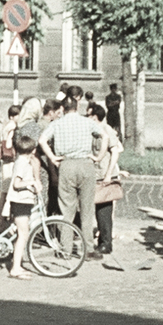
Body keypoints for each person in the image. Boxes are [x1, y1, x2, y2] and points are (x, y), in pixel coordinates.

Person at [37, 96, 104, 235]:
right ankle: (88, 247)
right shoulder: (87, 122)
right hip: (85, 164)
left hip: (66, 165)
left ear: (62, 108)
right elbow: (106, 136)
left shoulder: (56, 124)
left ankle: (66, 248)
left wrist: (53, 158)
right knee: (87, 209)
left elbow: (42, 140)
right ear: (77, 107)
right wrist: (98, 157)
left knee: (67, 209)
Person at [5, 135, 42, 280]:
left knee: (22, 233)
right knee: (23, 235)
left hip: (24, 201)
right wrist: (32, 182)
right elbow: (16, 184)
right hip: (20, 201)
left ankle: (18, 265)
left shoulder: (23, 161)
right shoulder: (22, 164)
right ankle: (15, 269)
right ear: (33, 150)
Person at [88, 101, 123, 256]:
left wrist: (109, 174)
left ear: (95, 117)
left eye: (89, 115)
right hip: (94, 175)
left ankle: (106, 243)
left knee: (104, 211)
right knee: (95, 210)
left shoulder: (107, 130)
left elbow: (115, 152)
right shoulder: (90, 130)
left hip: (104, 175)